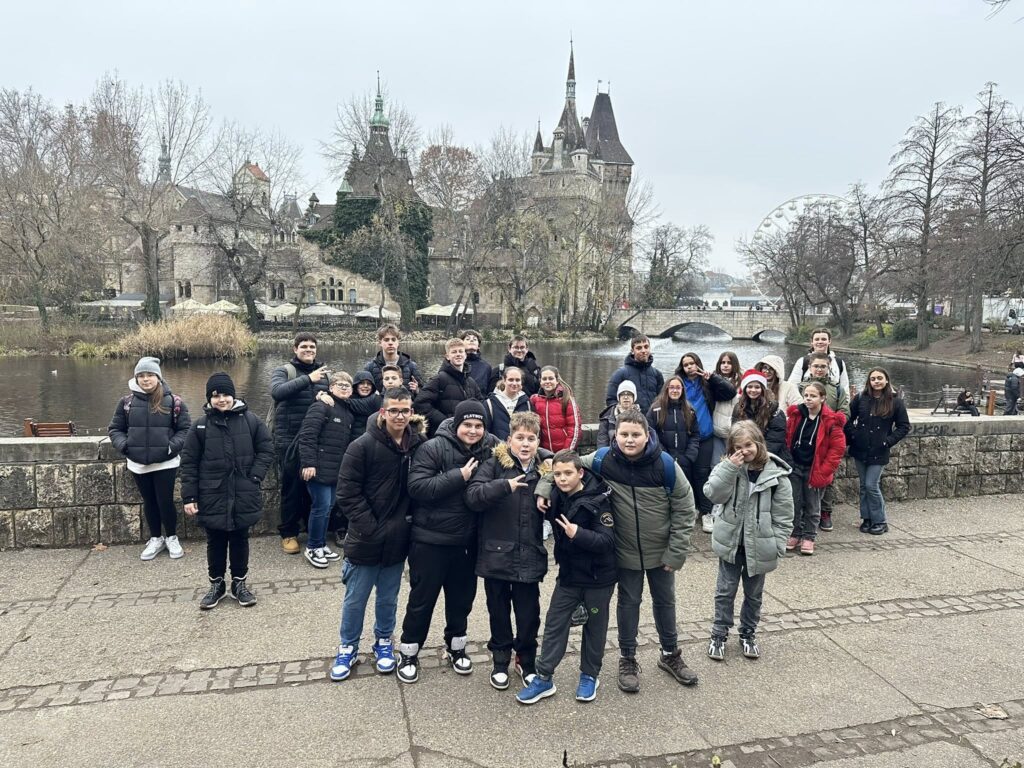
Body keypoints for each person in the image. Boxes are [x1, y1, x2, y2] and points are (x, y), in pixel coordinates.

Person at [538, 411, 698, 694]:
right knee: (628, 603)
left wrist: (676, 551)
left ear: (647, 435)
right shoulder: (603, 459)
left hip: (660, 550)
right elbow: (565, 467)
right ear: (616, 435)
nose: (629, 440)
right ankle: (628, 658)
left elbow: (685, 509)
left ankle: (670, 653)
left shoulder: (665, 465)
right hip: (624, 551)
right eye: (624, 434)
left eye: (636, 434)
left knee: (665, 602)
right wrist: (543, 487)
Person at [396, 401, 500, 684]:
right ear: (456, 425)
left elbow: (521, 450)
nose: (473, 431)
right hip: (431, 539)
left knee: (461, 600)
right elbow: (417, 487)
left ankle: (456, 646)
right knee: (422, 600)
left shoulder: (491, 447)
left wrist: (546, 458)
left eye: (478, 425)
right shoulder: (433, 447)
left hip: (467, 541)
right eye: (467, 425)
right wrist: (459, 476)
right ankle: (409, 651)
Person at [330, 387, 427, 682]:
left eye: (405, 410)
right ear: (383, 412)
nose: (399, 416)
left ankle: (384, 641)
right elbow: (347, 493)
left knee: (388, 598)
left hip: (398, 537)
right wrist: (370, 527)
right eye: (394, 410)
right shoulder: (361, 446)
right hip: (366, 538)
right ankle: (347, 647)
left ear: (411, 413)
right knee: (355, 599)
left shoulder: (418, 445)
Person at [515, 450, 616, 705]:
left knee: (595, 627)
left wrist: (578, 533)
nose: (562, 478)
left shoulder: (600, 499)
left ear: (580, 473)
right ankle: (544, 677)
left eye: (568, 473)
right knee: (554, 624)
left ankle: (590, 675)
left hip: (598, 578)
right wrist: (542, 492)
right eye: (557, 474)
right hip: (569, 575)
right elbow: (542, 459)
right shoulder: (556, 495)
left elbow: (606, 541)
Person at [465, 412, 552, 690]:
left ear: (538, 441)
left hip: (529, 553)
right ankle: (500, 659)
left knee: (529, 614)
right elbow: (473, 497)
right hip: (497, 554)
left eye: (531, 439)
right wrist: (504, 486)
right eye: (520, 438)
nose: (525, 444)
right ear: (509, 439)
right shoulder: (494, 465)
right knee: (498, 611)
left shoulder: (546, 469)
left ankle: (526, 660)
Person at [180, 373, 274, 610]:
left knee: (240, 539)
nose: (221, 399)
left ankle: (239, 584)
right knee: (215, 541)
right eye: (216, 396)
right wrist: (189, 496)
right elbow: (189, 463)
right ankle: (217, 584)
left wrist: (255, 476)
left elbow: (266, 449)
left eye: (225, 395)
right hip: (212, 493)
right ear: (209, 399)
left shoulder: (251, 421)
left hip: (243, 491)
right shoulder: (199, 426)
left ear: (233, 395)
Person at [703, 421, 794, 661]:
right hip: (731, 543)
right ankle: (719, 633)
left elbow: (784, 516)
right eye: (738, 447)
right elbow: (712, 494)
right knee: (725, 591)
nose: (744, 451)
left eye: (748, 445)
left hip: (760, 546)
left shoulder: (777, 475)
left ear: (758, 443)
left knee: (754, 595)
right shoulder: (728, 468)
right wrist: (729, 469)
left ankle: (748, 632)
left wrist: (778, 545)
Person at [108, 356, 192, 561]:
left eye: (150, 375)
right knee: (150, 502)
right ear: (136, 378)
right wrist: (126, 447)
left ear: (158, 377)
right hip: (138, 463)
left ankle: (171, 537)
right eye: (141, 375)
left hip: (166, 462)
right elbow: (115, 429)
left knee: (165, 501)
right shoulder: (126, 403)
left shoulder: (174, 401)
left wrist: (170, 448)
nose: (145, 379)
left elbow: (185, 430)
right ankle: (156, 538)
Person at [297, 372, 380, 569]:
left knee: (328, 508)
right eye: (340, 384)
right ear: (331, 387)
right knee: (321, 507)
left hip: (335, 469)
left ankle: (320, 544)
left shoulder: (347, 410)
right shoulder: (321, 406)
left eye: (347, 385)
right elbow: (308, 435)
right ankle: (312, 547)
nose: (344, 388)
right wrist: (308, 463)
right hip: (318, 468)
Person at [270, 333, 332, 555]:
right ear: (295, 349)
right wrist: (308, 379)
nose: (308, 350)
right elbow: (277, 392)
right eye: (304, 346)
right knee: (292, 489)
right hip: (289, 440)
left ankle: (312, 531)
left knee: (314, 488)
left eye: (312, 346)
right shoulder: (284, 371)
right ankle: (289, 533)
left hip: (315, 441)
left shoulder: (325, 374)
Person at [677, 352, 738, 534]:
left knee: (703, 473)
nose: (690, 367)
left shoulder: (707, 383)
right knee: (686, 472)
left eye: (692, 363)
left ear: (698, 364)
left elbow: (730, 392)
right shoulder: (678, 383)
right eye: (686, 364)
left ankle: (706, 512)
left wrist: (713, 378)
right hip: (685, 436)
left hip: (705, 434)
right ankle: (692, 507)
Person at [845, 368, 911, 535]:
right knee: (863, 486)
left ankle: (880, 521)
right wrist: (854, 435)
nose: (876, 381)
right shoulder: (861, 398)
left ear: (886, 380)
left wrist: (888, 441)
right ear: (869, 381)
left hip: (879, 450)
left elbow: (904, 426)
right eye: (873, 378)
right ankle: (867, 518)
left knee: (871, 485)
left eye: (879, 378)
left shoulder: (895, 402)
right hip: (860, 448)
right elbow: (847, 418)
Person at [784, 382, 846, 555]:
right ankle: (795, 533)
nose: (808, 399)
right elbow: (787, 438)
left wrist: (823, 472)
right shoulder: (796, 415)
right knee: (794, 503)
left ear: (822, 398)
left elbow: (837, 450)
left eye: (813, 396)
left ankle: (809, 536)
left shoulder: (831, 420)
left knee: (812, 506)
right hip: (795, 466)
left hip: (815, 469)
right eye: (806, 396)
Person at [797, 351, 850, 532]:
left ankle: (825, 512)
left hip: (827, 438)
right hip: (805, 437)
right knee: (802, 477)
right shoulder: (800, 387)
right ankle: (803, 514)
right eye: (816, 366)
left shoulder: (836, 389)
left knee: (827, 477)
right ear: (809, 367)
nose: (819, 369)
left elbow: (845, 411)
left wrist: (832, 424)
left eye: (823, 366)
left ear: (829, 367)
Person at [414, 337, 483, 436]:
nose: (458, 354)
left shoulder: (471, 382)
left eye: (461, 351)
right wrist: (445, 422)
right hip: (444, 434)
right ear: (447, 356)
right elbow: (420, 404)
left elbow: (480, 404)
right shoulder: (439, 379)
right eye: (454, 352)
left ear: (465, 355)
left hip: (466, 435)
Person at [646, 375, 699, 485]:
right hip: (661, 460)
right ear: (666, 389)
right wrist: (663, 455)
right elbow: (650, 434)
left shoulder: (689, 410)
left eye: (678, 388)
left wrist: (689, 457)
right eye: (672, 387)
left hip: (684, 461)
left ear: (682, 390)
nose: (675, 391)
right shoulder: (655, 409)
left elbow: (695, 435)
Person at [732, 369, 789, 461]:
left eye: (757, 387)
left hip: (769, 455)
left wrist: (758, 456)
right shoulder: (739, 408)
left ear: (762, 389)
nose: (753, 390)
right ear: (745, 388)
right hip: (746, 453)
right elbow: (735, 434)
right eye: (750, 387)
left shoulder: (774, 410)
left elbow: (775, 439)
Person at [604, 334, 664, 414]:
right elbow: (611, 400)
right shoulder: (620, 374)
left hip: (652, 420)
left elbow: (663, 400)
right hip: (629, 420)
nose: (643, 351)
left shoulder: (657, 375)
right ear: (632, 351)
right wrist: (624, 415)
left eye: (646, 347)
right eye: (639, 348)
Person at [530, 365, 580, 454]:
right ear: (540, 381)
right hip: (543, 453)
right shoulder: (535, 400)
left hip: (564, 452)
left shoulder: (567, 400)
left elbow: (574, 428)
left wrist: (566, 452)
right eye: (544, 379)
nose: (547, 381)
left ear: (557, 381)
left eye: (551, 378)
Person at [787, 327, 850, 396]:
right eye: (817, 339)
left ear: (829, 341)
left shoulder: (839, 363)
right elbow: (792, 386)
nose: (820, 342)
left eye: (823, 339)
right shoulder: (802, 362)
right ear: (812, 342)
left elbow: (845, 388)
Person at [364, 324, 423, 394]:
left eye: (393, 339)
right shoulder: (370, 367)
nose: (390, 343)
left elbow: (423, 392)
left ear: (398, 342)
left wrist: (417, 390)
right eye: (386, 340)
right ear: (380, 343)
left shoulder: (411, 366)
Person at [484, 366, 534, 441]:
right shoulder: (490, 403)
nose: (514, 383)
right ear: (504, 380)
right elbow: (485, 431)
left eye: (517, 380)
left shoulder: (527, 403)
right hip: (497, 447)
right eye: (511, 380)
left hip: (521, 447)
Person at [711, 352, 742, 464]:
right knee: (716, 463)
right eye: (723, 362)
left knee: (734, 463)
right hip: (716, 430)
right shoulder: (712, 381)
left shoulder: (742, 383)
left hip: (733, 432)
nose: (725, 365)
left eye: (729, 363)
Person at [597, 381, 641, 449]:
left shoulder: (641, 417)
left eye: (629, 394)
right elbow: (602, 442)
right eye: (622, 394)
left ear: (634, 398)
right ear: (618, 397)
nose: (625, 397)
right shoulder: (607, 417)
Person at [460, 328, 493, 394]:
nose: (471, 340)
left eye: (474, 339)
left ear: (478, 346)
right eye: (467, 339)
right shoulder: (455, 363)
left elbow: (489, 391)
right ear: (461, 344)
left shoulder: (486, 367)